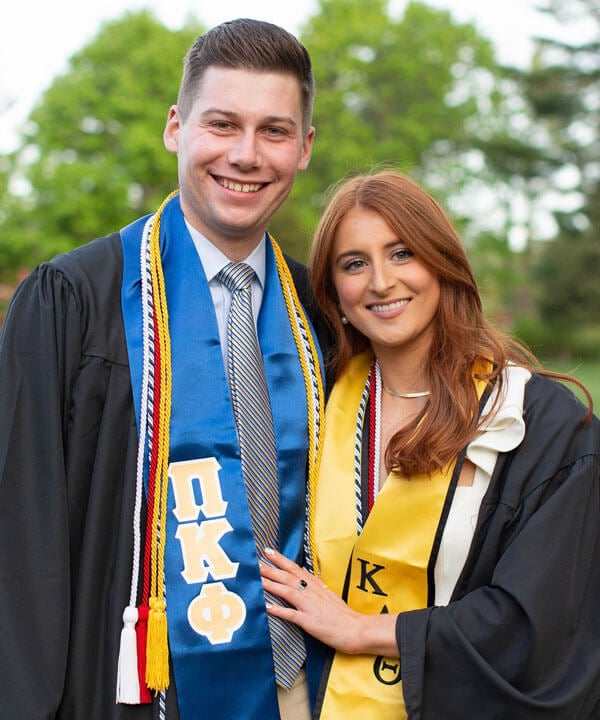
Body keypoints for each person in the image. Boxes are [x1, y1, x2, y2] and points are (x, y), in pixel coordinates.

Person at [0, 18, 330, 720]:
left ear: (303, 150)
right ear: (176, 127)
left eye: (274, 131)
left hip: (303, 691)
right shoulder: (74, 300)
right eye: (222, 124)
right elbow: (20, 531)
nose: (246, 154)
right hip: (129, 688)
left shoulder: (323, 314)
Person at [260, 169, 600, 719]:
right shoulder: (311, 406)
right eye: (354, 263)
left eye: (402, 253)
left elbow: (540, 621)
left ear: (443, 264)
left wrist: (364, 630)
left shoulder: (539, 425)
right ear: (335, 295)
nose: (380, 282)